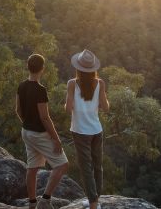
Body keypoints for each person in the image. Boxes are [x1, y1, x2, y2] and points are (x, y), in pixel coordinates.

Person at [16, 53, 69, 209]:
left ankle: (32, 203)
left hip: (26, 132)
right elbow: (45, 118)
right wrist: (56, 139)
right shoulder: (40, 90)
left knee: (32, 168)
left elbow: (18, 110)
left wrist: (27, 123)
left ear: (28, 67)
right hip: (39, 134)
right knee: (62, 165)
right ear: (42, 69)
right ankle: (45, 201)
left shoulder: (21, 85)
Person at [64, 49, 110, 209]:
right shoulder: (100, 83)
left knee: (86, 167)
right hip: (96, 129)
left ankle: (93, 203)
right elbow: (106, 108)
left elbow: (68, 109)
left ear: (78, 68)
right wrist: (98, 100)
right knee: (97, 165)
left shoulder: (72, 84)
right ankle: (96, 198)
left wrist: (72, 101)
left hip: (80, 131)